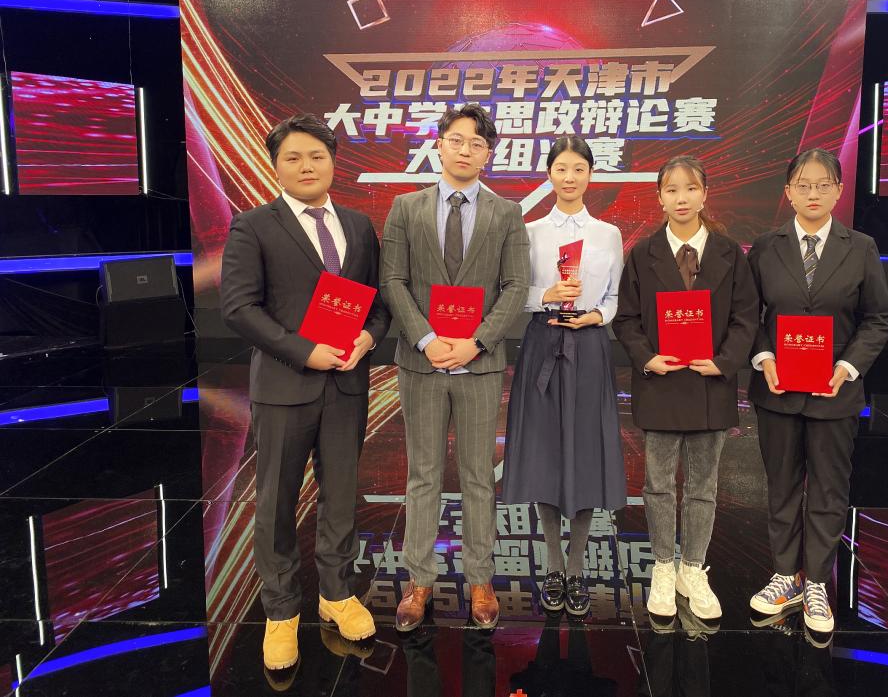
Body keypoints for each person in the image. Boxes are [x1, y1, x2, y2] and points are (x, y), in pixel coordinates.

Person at [220, 113, 390, 670]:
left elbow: (378, 304)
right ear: (276, 166)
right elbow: (239, 308)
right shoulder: (252, 225)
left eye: (316, 156)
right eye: (292, 157)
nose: (306, 166)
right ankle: (280, 611)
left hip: (347, 383)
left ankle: (336, 595)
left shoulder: (359, 226)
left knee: (340, 495)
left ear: (333, 162)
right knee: (275, 500)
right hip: (285, 385)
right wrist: (302, 349)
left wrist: (368, 337)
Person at [380, 103, 531, 632]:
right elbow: (393, 280)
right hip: (420, 364)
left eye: (477, 143)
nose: (466, 150)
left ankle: (481, 579)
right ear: (439, 144)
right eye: (457, 140)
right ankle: (419, 580)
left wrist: (477, 343)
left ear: (489, 155)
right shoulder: (405, 207)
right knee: (422, 473)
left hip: (478, 366)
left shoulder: (507, 213)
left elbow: (516, 285)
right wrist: (425, 339)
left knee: (477, 477)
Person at [747, 148, 888, 634]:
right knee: (782, 486)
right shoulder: (765, 247)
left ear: (838, 191)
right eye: (803, 185)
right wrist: (764, 358)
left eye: (823, 184)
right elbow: (749, 315)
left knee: (829, 488)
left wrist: (848, 367)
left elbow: (879, 317)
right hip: (778, 390)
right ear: (788, 192)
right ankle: (785, 575)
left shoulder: (861, 247)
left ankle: (816, 583)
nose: (813, 193)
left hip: (835, 392)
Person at [613, 155, 758, 621]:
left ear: (704, 194)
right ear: (659, 197)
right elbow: (627, 319)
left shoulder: (729, 252)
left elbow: (746, 317)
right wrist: (646, 357)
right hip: (661, 383)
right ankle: (662, 566)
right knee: (657, 484)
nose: (681, 198)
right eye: (672, 190)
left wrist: (724, 362)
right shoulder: (643, 254)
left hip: (710, 384)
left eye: (690, 188)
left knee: (703, 485)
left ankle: (693, 568)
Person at [502, 134, 626, 617]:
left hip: (589, 347)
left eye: (579, 169)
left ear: (591, 175)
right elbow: (514, 292)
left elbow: (614, 297)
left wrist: (597, 316)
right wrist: (545, 296)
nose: (570, 177)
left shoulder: (607, 233)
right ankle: (553, 565)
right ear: (549, 174)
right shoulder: (529, 231)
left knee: (585, 454)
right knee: (546, 457)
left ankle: (577, 569)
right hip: (542, 342)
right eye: (561, 168)